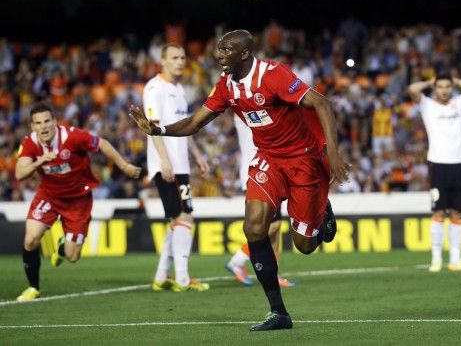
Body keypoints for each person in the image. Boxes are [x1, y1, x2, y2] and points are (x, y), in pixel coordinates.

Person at [130, 30, 348, 331]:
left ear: (244, 54)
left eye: (226, 49)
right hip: (268, 159)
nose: (219, 54)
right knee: (254, 227)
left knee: (305, 246)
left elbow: (322, 104)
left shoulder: (273, 75)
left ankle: (321, 208)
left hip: (303, 160)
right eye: (218, 48)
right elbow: (195, 122)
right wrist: (159, 131)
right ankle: (278, 312)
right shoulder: (226, 85)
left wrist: (332, 153)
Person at [15, 102, 141, 302]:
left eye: (47, 121)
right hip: (49, 195)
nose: (43, 126)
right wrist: (40, 161)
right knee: (30, 239)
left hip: (78, 200)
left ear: (55, 122)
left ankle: (64, 246)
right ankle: (33, 287)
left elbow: (103, 144)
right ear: (32, 126)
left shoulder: (73, 137)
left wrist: (123, 165)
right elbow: (20, 173)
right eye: (38, 123)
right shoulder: (30, 143)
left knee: (73, 256)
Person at [144, 43, 210, 292]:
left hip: (181, 164)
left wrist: (197, 155)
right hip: (166, 164)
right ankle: (182, 278)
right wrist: (164, 159)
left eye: (183, 57)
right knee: (185, 217)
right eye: (175, 57)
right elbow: (152, 128)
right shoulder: (154, 88)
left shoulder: (180, 89)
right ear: (163, 60)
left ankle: (162, 276)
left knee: (178, 219)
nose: (180, 61)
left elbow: (186, 128)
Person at [408, 73, 461, 273]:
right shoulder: (427, 105)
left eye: (447, 86)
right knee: (439, 212)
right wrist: (428, 82)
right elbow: (412, 90)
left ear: (452, 87)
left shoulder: (458, 103)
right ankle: (436, 259)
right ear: (435, 88)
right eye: (440, 86)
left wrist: (457, 80)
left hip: (460, 163)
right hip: (439, 164)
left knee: (458, 212)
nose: (443, 89)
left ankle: (456, 260)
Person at [225, 115, 295, 288]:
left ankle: (274, 274)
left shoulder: (262, 112)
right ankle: (237, 260)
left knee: (276, 226)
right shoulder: (243, 112)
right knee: (267, 226)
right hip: (255, 174)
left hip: (271, 173)